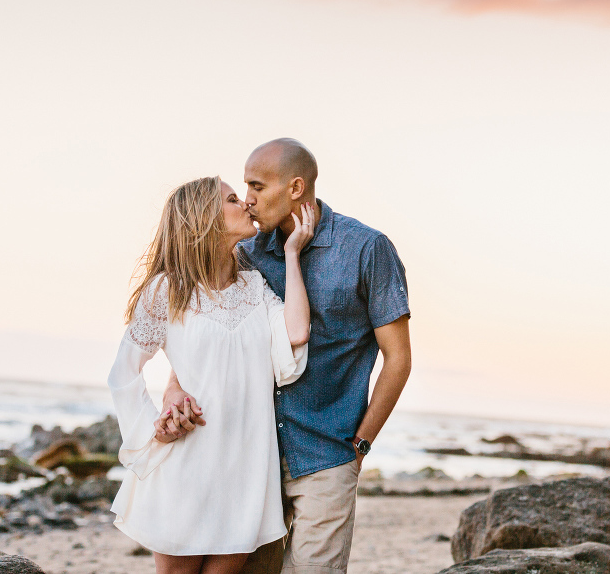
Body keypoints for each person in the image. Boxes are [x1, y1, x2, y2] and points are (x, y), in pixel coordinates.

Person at [161, 138, 413, 574]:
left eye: (257, 186)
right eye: (243, 189)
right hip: (251, 455)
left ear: (296, 187)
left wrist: (361, 443)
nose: (248, 200)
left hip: (327, 455)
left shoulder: (366, 249)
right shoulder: (245, 253)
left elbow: (398, 358)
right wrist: (173, 389)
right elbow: (203, 337)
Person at [108, 176, 316, 574]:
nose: (247, 204)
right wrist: (156, 427)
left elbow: (296, 333)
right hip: (186, 463)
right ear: (205, 219)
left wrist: (293, 255)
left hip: (246, 468)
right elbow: (123, 373)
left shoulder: (255, 287)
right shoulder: (167, 290)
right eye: (233, 199)